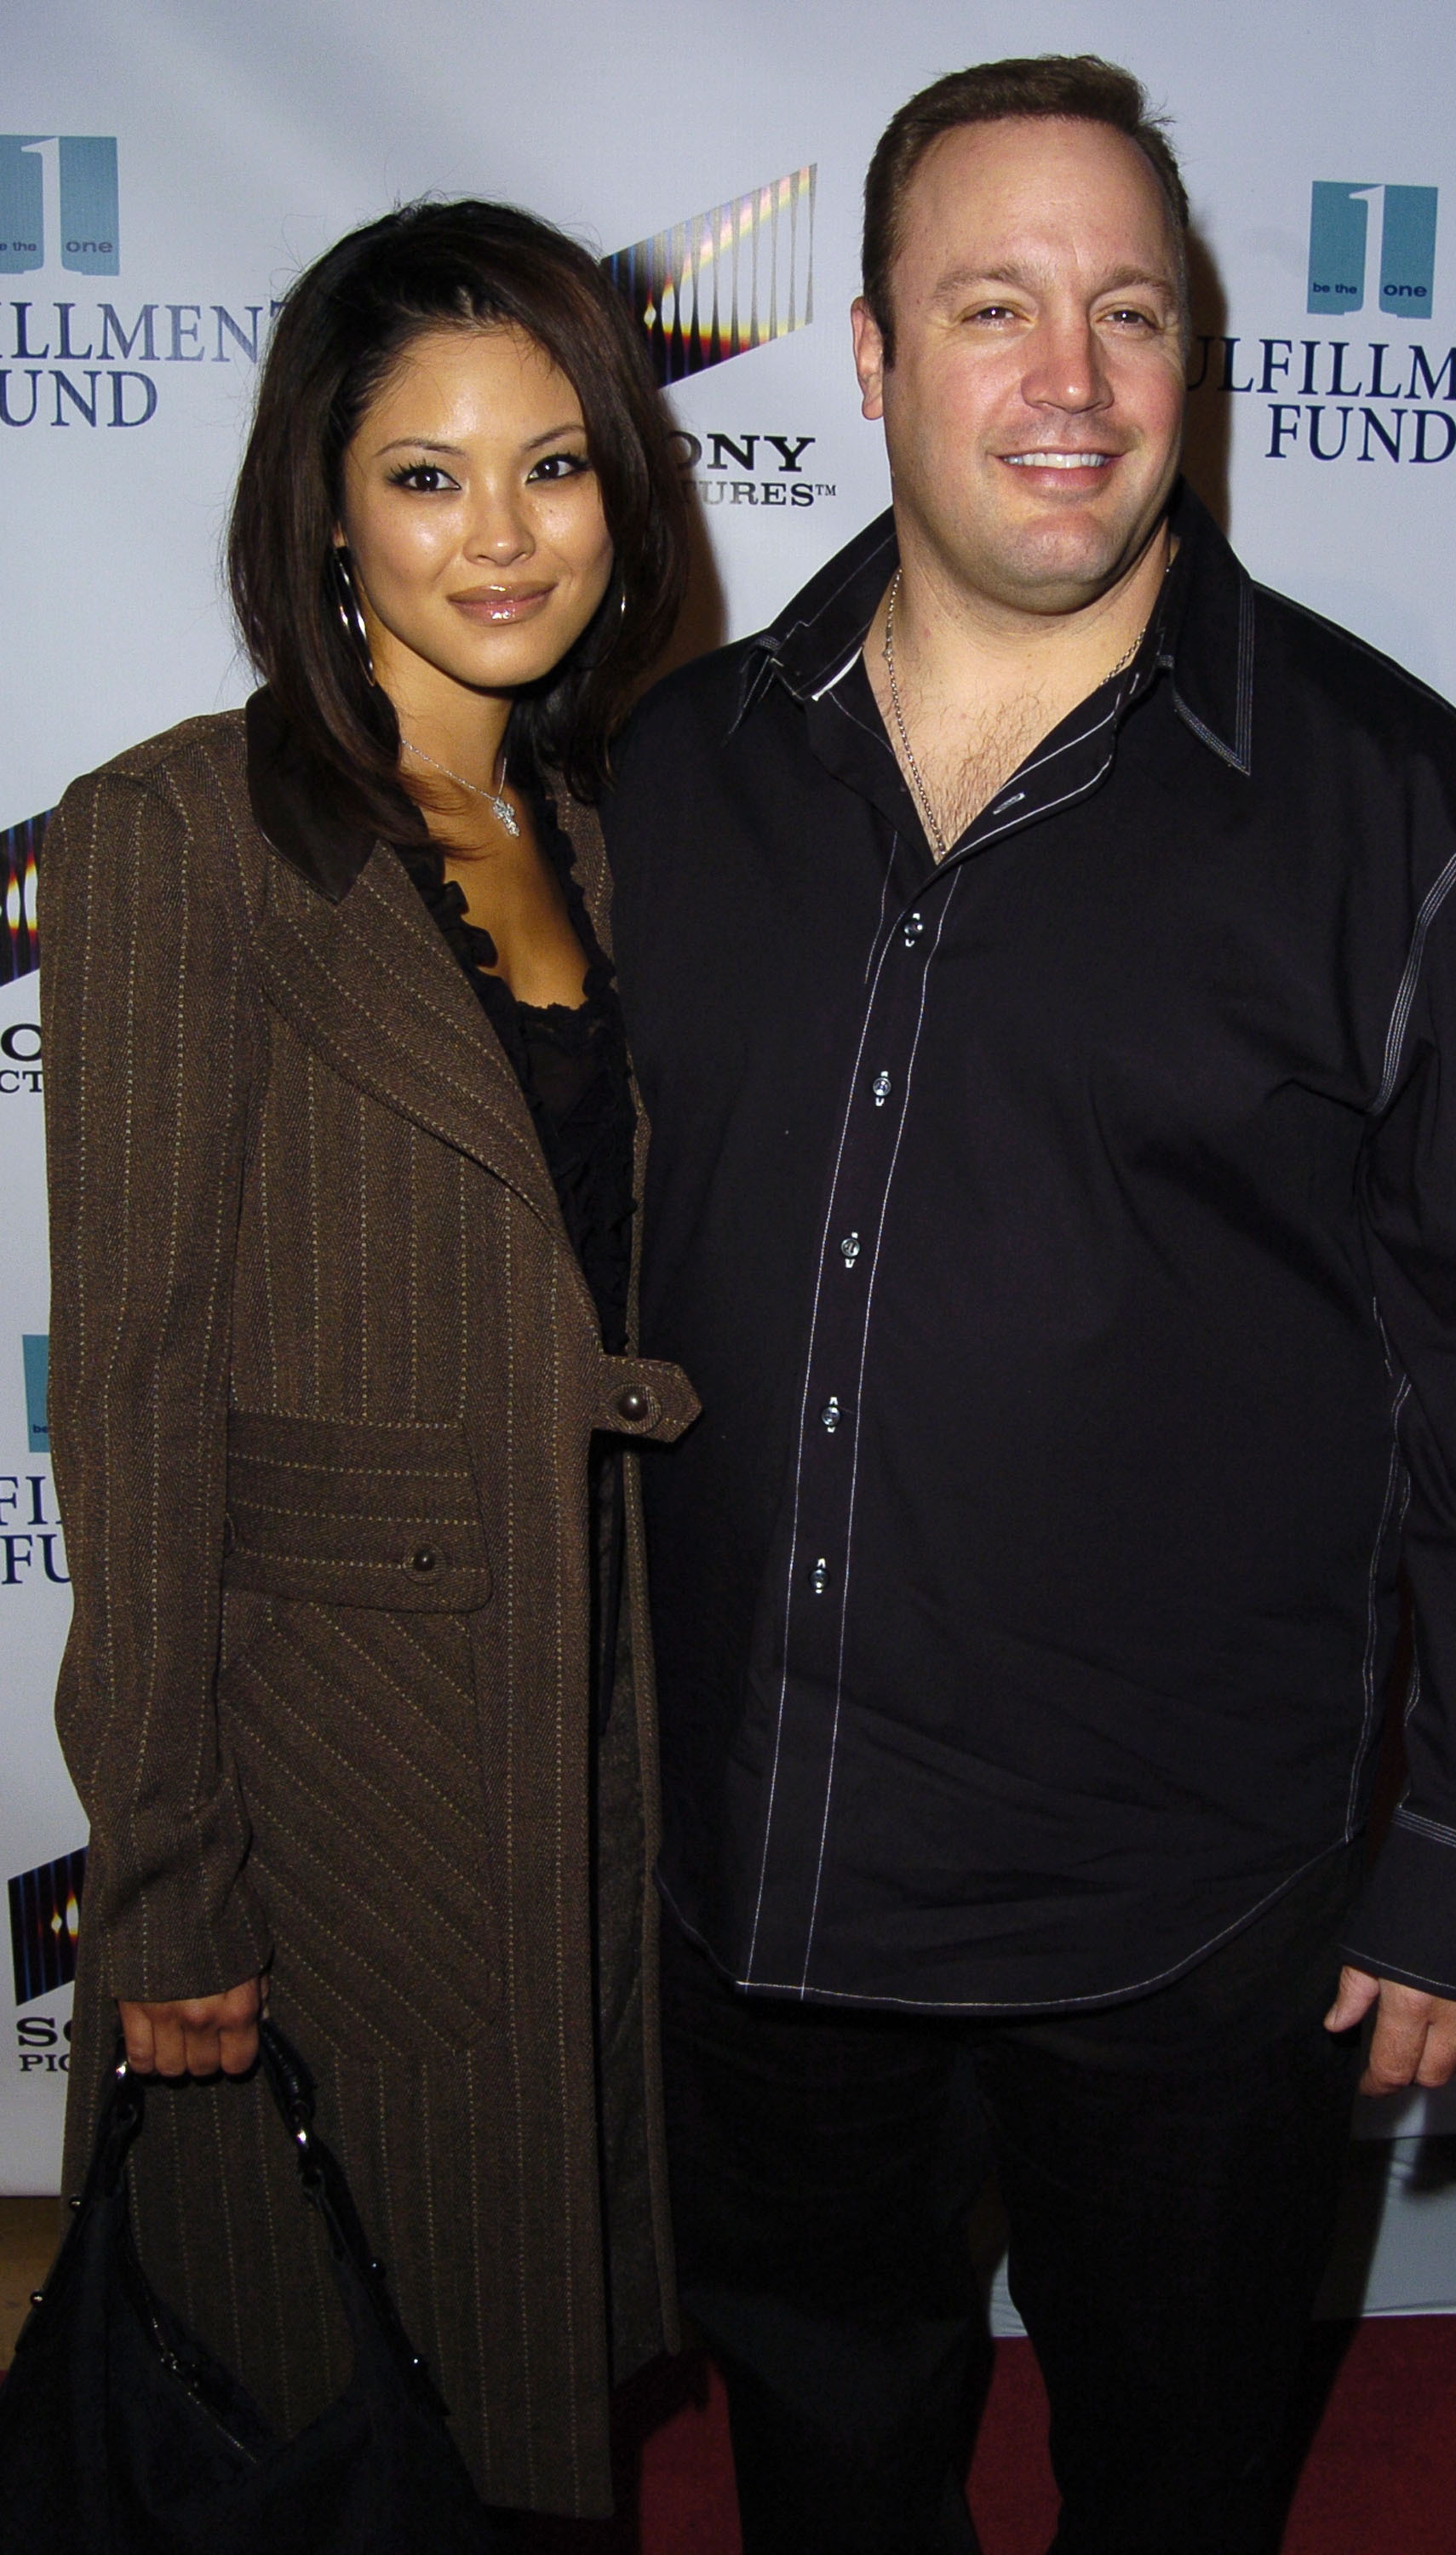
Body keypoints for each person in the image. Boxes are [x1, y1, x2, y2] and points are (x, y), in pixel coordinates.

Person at [600, 53, 1456, 2555]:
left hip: (1188, 1933)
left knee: (1176, 2486)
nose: (1068, 387)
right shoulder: (670, 783)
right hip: (762, 1892)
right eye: (993, 309)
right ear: (867, 357)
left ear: (1196, 359)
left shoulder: (1410, 819)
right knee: (822, 2462)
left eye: (1132, 315)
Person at [41, 199, 698, 2522]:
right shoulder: (176, 842)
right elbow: (116, 1402)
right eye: (425, 473)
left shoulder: (613, 838)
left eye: (554, 463)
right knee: (340, 2376)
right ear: (320, 502)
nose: (500, 535)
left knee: (541, 2348)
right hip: (338, 1781)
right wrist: (169, 1878)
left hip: (596, 1725)